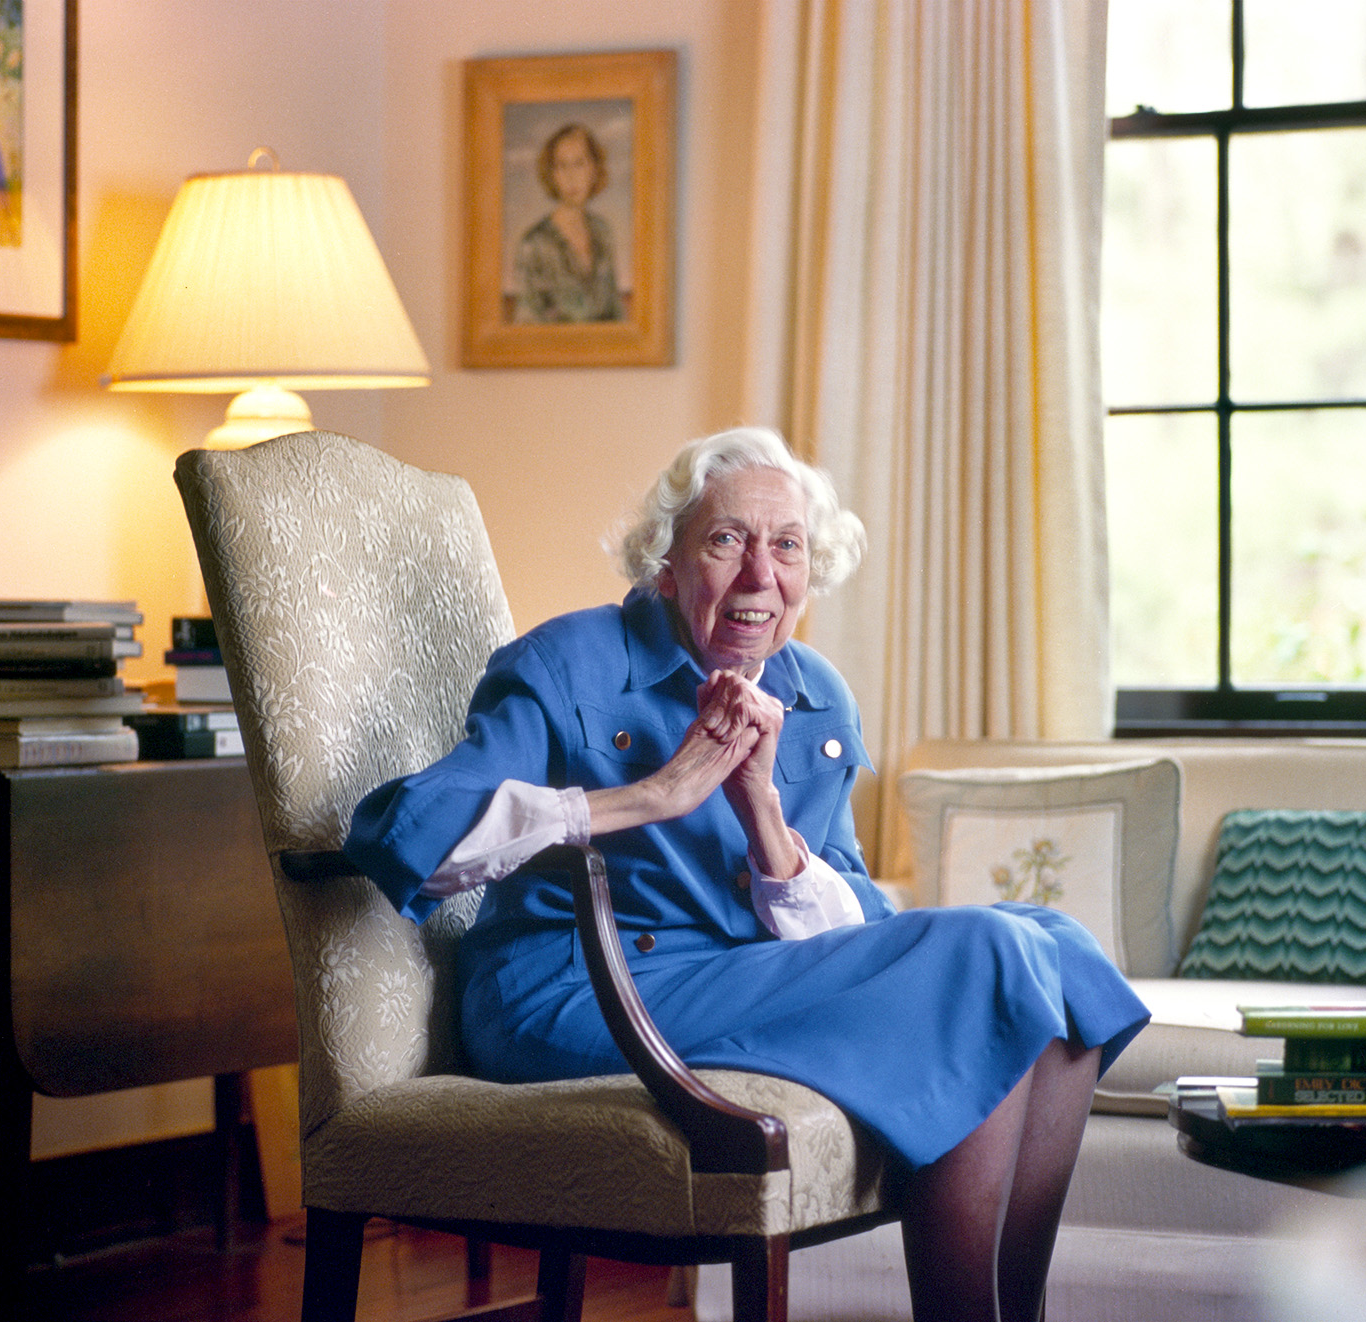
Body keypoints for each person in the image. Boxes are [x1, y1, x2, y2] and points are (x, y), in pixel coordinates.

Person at [345, 426, 1150, 1322]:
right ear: (667, 563)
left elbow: (851, 932)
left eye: (788, 546)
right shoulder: (568, 661)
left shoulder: (814, 695)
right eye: (726, 540)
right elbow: (404, 831)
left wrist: (762, 810)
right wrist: (655, 794)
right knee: (990, 949)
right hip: (574, 991)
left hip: (730, 984)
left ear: (811, 571)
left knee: (1059, 949)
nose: (760, 574)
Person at [512, 122, 622, 323]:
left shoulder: (602, 232)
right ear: (552, 174)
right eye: (562, 166)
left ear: (594, 169)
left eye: (579, 163)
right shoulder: (534, 243)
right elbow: (526, 324)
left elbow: (616, 314)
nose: (571, 177)